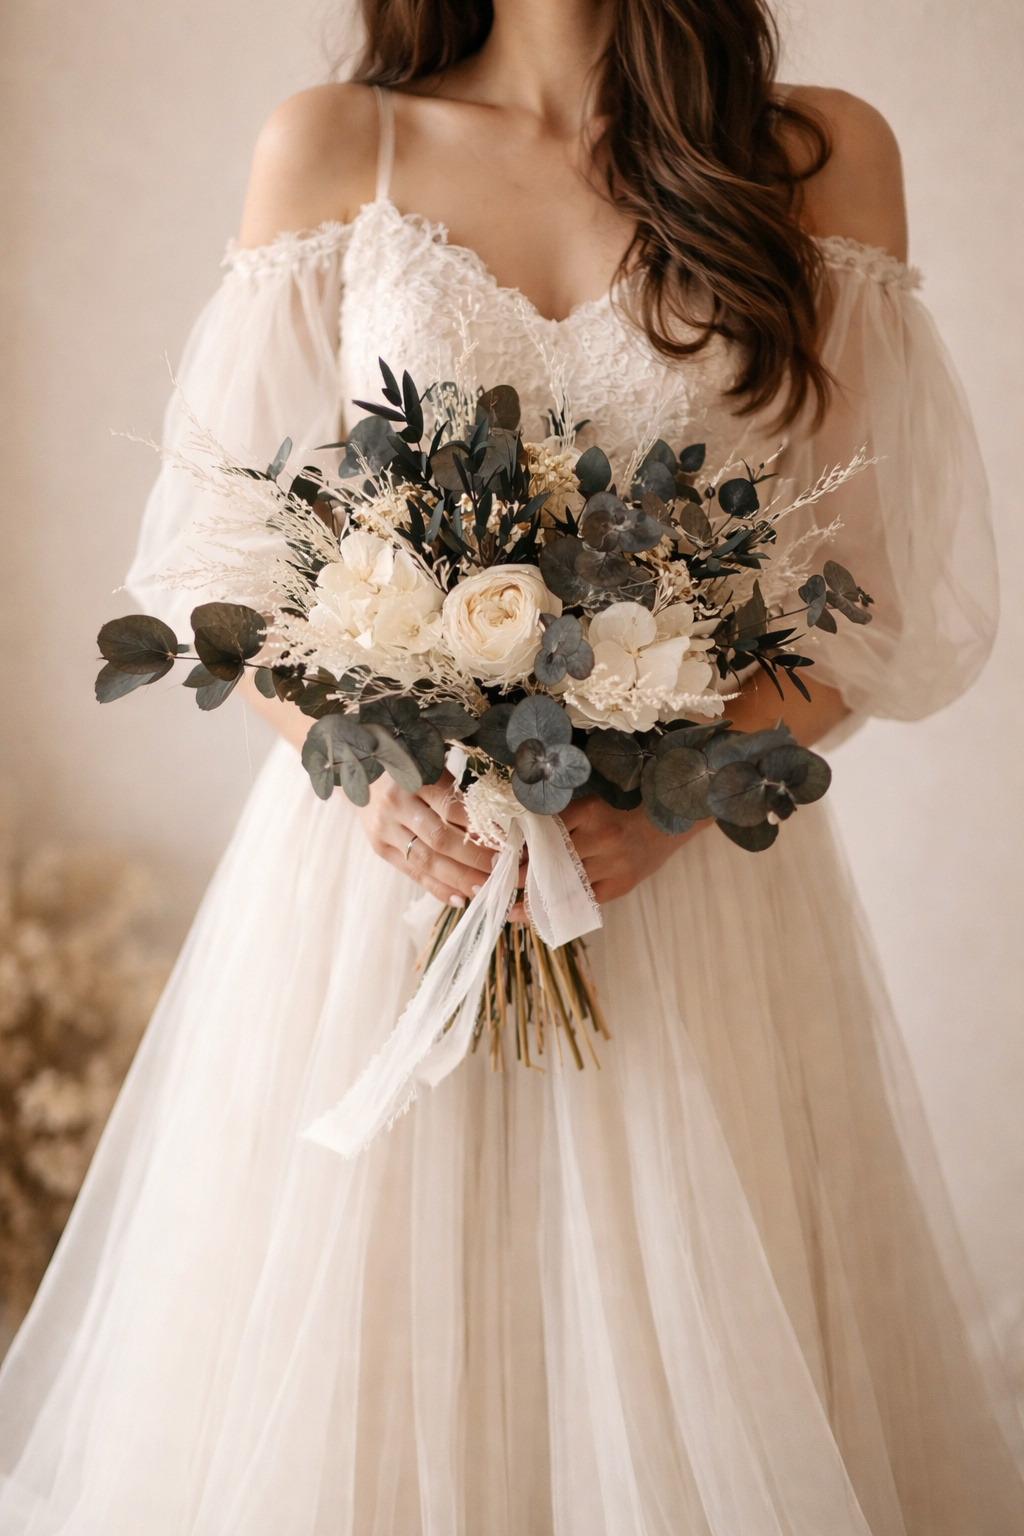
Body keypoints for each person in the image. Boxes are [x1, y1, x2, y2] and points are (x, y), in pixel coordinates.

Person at [2, 1, 1022, 1530]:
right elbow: (225, 569)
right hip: (385, 886)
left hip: (684, 894)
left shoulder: (815, 157)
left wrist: (673, 803)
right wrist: (371, 762)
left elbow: (861, 594)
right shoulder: (341, 144)